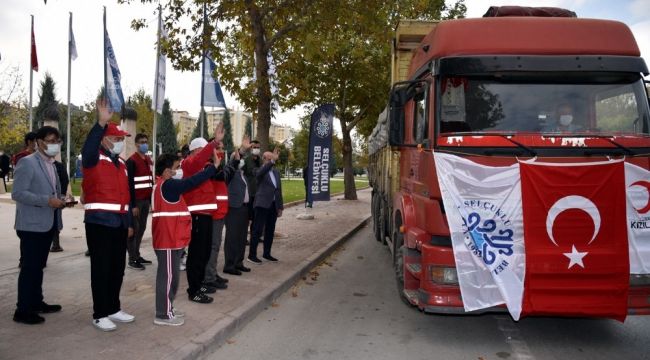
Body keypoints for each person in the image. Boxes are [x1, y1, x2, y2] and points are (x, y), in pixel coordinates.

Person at [81, 98, 135, 332]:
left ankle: (113, 307)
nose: (120, 142)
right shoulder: (93, 159)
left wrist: (129, 223)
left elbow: (127, 197)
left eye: (122, 139)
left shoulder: (121, 164)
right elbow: (88, 147)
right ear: (104, 139)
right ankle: (100, 313)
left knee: (117, 268)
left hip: (119, 223)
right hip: (99, 223)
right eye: (116, 139)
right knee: (101, 269)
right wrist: (100, 123)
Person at [152, 152, 219, 326]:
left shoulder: (166, 185)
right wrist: (212, 168)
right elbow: (192, 182)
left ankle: (168, 308)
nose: (179, 171)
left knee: (172, 277)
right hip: (167, 239)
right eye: (176, 168)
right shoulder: (167, 185)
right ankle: (163, 314)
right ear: (167, 171)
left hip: (173, 239)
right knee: (167, 278)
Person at [11, 126, 67, 324]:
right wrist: (47, 200)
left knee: (38, 267)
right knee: (30, 268)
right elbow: (17, 193)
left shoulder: (51, 164)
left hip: (47, 223)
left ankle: (36, 302)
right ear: (39, 142)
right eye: (50, 141)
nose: (54, 145)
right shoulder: (27, 163)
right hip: (31, 225)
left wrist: (61, 199)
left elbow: (50, 191)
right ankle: (23, 310)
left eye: (57, 141)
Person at [181, 123, 225, 304]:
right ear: (193, 151)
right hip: (197, 215)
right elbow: (199, 160)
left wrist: (215, 164)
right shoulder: (189, 164)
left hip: (206, 214)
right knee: (197, 254)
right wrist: (214, 142)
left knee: (205, 252)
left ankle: (199, 284)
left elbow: (214, 172)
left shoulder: (200, 168)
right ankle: (194, 290)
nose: (204, 154)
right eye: (201, 151)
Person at [203, 140, 236, 291]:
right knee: (212, 247)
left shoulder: (217, 166)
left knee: (215, 246)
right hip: (213, 213)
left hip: (220, 211)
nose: (221, 151)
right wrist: (235, 160)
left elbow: (226, 176)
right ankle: (208, 278)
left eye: (223, 148)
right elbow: (223, 176)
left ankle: (212, 273)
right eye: (218, 148)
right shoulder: (209, 166)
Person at [248, 147, 284, 264]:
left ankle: (267, 254)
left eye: (272, 159)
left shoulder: (276, 172)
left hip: (273, 205)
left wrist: (280, 206)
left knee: (270, 230)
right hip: (262, 204)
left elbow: (278, 190)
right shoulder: (258, 170)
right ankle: (252, 255)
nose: (272, 160)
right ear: (264, 159)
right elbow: (260, 173)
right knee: (257, 230)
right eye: (270, 158)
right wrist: (272, 161)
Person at [223, 136, 253, 275]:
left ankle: (238, 262)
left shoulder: (243, 175)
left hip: (244, 208)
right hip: (234, 208)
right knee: (232, 238)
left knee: (241, 238)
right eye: (239, 160)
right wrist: (241, 151)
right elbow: (232, 163)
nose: (241, 162)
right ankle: (229, 265)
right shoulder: (231, 172)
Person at [126, 131, 154, 270]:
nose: (144, 144)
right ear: (136, 144)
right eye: (142, 142)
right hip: (136, 201)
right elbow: (129, 184)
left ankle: (136, 254)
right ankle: (132, 258)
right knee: (134, 229)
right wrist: (132, 205)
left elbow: (149, 180)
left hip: (145, 200)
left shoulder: (147, 160)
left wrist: (150, 200)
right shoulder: (131, 161)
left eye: (145, 142)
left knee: (141, 228)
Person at [50, 160, 71, 252]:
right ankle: (55, 244)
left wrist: (62, 195)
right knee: (55, 219)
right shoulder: (57, 165)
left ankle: (55, 244)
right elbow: (65, 180)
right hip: (51, 198)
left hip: (55, 198)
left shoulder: (58, 166)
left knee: (55, 219)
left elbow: (64, 180)